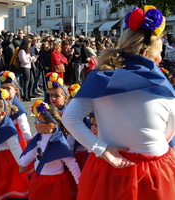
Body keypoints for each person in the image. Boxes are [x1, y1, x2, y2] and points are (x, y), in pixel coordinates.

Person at [62, 5, 175, 200]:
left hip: (109, 165)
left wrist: (101, 148)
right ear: (146, 52)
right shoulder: (162, 84)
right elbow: (169, 131)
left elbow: (70, 117)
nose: (160, 58)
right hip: (152, 169)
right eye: (159, 52)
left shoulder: (101, 75)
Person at [19, 100, 81, 200]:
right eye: (35, 120)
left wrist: (79, 181)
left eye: (38, 121)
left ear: (50, 126)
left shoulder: (59, 143)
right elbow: (34, 151)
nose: (35, 123)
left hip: (55, 181)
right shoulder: (39, 136)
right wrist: (23, 163)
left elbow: (71, 163)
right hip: (39, 178)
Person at [0, 70, 32, 149]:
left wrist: (28, 139)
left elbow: (24, 125)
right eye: (3, 88)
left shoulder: (18, 108)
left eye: (8, 89)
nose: (5, 91)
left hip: (15, 136)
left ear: (16, 90)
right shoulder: (0, 102)